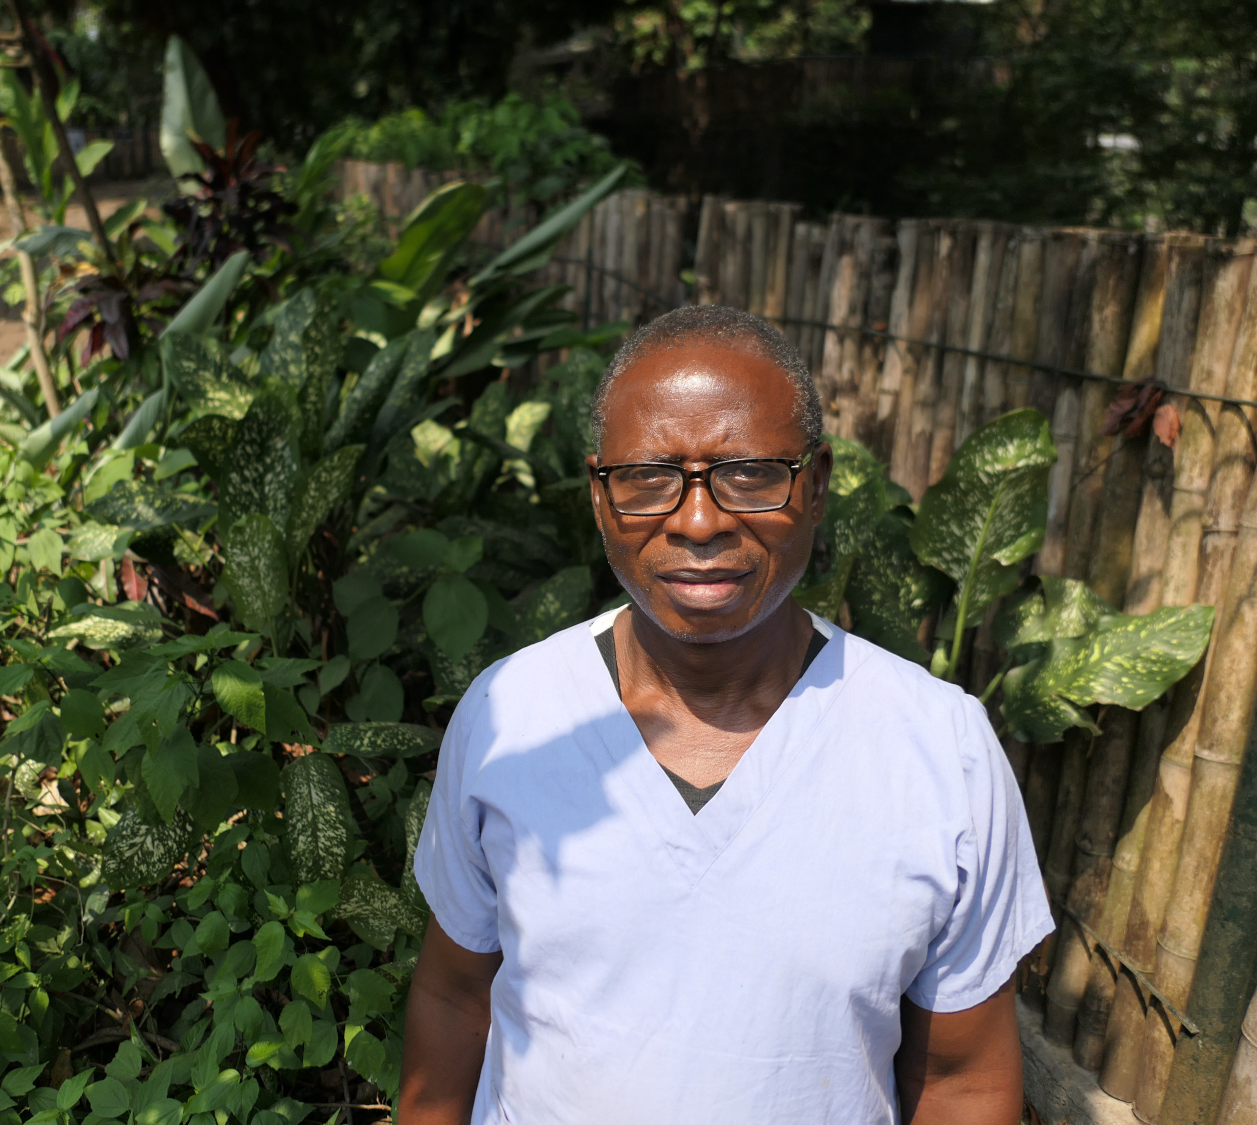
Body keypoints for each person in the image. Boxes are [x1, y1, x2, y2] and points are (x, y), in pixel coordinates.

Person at [397, 305, 1054, 1125]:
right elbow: (456, 998)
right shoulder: (513, 714)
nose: (699, 520)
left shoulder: (938, 750)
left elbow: (962, 1081)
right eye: (649, 477)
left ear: (814, 487)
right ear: (600, 496)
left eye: (749, 473)